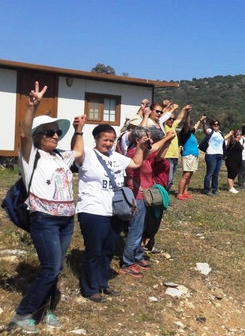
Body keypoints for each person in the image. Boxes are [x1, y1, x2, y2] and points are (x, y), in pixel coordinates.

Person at [8, 82, 81, 333]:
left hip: (66, 220)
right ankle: (22, 314)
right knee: (50, 268)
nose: (55, 136)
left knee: (56, 267)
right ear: (39, 136)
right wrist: (32, 106)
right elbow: (24, 133)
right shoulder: (31, 156)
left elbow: (78, 152)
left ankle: (46, 310)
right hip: (45, 219)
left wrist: (79, 130)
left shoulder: (60, 155)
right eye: (49, 133)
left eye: (57, 133)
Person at [75, 123, 148, 303]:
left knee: (108, 250)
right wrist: (78, 130)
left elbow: (136, 163)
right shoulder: (87, 155)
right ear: (96, 139)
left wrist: (140, 147)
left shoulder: (116, 157)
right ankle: (90, 288)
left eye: (111, 140)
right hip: (92, 210)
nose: (108, 143)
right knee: (94, 250)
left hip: (114, 211)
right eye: (105, 140)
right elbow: (76, 151)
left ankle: (102, 282)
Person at [122, 127, 176, 278]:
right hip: (137, 198)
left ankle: (138, 256)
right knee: (135, 231)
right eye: (146, 139)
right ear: (137, 141)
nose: (150, 142)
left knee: (141, 229)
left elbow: (154, 152)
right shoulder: (133, 153)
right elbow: (151, 150)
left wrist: (166, 142)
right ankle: (128, 262)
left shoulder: (143, 153)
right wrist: (166, 138)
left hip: (144, 197)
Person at [176, 108, 201, 200]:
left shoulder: (191, 133)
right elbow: (187, 124)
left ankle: (185, 192)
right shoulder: (185, 133)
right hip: (188, 155)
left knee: (190, 174)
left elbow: (196, 126)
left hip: (194, 155)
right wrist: (188, 113)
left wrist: (200, 121)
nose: (191, 126)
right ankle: (180, 193)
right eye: (190, 124)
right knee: (186, 175)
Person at [163, 105, 187, 192]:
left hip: (175, 156)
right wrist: (168, 107)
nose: (172, 120)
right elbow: (163, 116)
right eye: (170, 118)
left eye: (173, 119)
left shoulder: (172, 126)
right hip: (167, 156)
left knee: (172, 179)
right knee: (168, 179)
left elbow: (179, 119)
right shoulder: (163, 127)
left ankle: (167, 195)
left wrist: (183, 109)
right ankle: (163, 195)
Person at [201, 119, 226, 196]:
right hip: (211, 154)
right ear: (211, 125)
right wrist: (204, 123)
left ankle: (214, 189)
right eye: (214, 124)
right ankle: (207, 189)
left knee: (216, 173)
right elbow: (205, 131)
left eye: (217, 124)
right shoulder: (210, 131)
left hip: (219, 155)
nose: (216, 125)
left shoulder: (220, 133)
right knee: (210, 173)